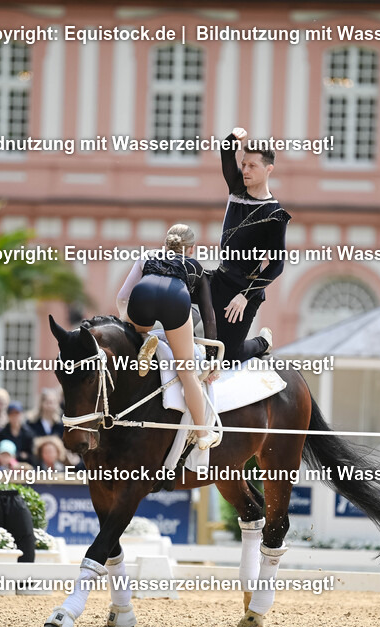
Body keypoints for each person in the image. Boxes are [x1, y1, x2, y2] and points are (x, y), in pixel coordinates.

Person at [116, 223, 220, 449]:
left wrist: (126, 321)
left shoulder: (147, 257)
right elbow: (208, 315)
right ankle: (202, 434)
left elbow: (123, 295)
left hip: (143, 295)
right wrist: (212, 359)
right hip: (175, 300)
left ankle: (145, 337)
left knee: (137, 331)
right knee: (187, 371)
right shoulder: (195, 267)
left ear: (165, 244)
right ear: (191, 249)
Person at [211, 126, 290, 362]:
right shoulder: (237, 189)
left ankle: (262, 342)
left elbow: (277, 265)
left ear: (269, 169)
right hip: (220, 278)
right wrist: (233, 138)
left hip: (244, 291)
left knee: (228, 356)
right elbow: (226, 153)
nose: (245, 170)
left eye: (252, 166)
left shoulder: (276, 215)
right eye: (244, 164)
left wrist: (245, 296)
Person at [0, 401, 35, 466]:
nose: (15, 417)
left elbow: (31, 455)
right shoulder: (1, 433)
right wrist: (20, 455)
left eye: (17, 414)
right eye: (12, 414)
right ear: (8, 415)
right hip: (5, 468)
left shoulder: (28, 433)